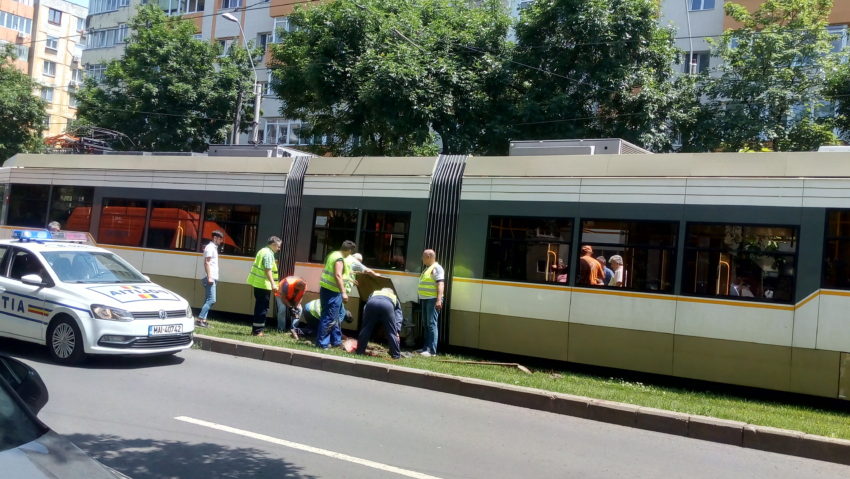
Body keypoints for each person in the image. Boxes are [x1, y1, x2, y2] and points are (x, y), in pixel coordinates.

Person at [317, 240, 356, 349]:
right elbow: (338, 275)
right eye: (351, 251)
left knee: (333, 317)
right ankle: (322, 344)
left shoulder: (333, 254)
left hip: (328, 290)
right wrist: (343, 292)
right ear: (349, 250)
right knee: (329, 318)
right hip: (332, 291)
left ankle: (336, 341)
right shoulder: (339, 258)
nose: (350, 254)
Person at [245, 236, 281, 336]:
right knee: (262, 308)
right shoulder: (268, 254)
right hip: (264, 285)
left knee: (259, 307)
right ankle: (257, 331)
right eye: (278, 246)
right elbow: (267, 269)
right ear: (273, 245)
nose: (279, 249)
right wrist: (273, 284)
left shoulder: (262, 251)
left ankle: (256, 330)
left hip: (258, 284)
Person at [356, 288, 404, 359]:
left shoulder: (374, 293)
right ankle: (396, 355)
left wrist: (365, 319)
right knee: (391, 332)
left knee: (366, 329)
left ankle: (360, 351)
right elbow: (398, 316)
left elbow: (366, 306)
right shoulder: (394, 298)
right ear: (391, 293)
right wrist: (397, 330)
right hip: (387, 306)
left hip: (372, 304)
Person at [417, 249, 445, 357]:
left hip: (432, 299)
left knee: (432, 324)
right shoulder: (428, 269)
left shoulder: (437, 268)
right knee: (426, 324)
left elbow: (440, 284)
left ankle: (432, 351)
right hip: (426, 299)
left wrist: (438, 300)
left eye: (423, 256)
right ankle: (426, 348)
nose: (422, 259)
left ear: (429, 257)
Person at [196, 230, 224, 328]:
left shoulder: (213, 248)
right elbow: (206, 263)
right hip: (210, 277)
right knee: (212, 300)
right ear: (215, 238)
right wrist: (209, 277)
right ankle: (199, 319)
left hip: (212, 277)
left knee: (207, 300)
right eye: (220, 239)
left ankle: (203, 320)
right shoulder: (210, 248)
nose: (221, 241)